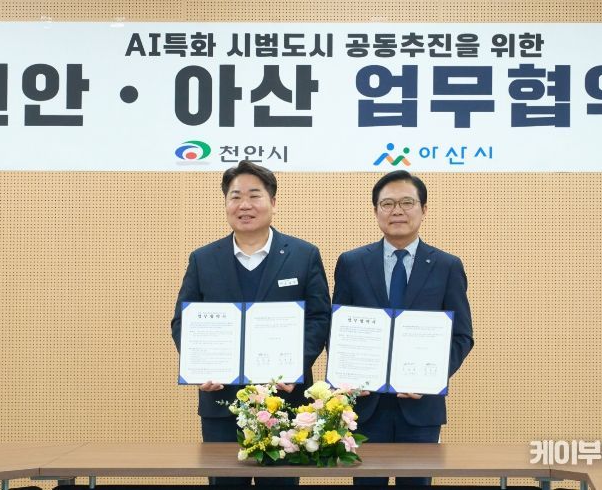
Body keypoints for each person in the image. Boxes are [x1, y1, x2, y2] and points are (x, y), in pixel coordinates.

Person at [171, 160, 330, 486]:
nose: (244, 205)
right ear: (226, 203)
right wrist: (200, 368)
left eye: (254, 195)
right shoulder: (203, 259)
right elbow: (183, 321)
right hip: (222, 402)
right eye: (235, 196)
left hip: (285, 400)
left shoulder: (303, 255)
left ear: (273, 201)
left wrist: (296, 366)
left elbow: (319, 317)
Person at [333, 170, 474, 487]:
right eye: (388, 204)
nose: (397, 211)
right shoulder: (352, 263)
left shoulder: (447, 266)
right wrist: (349, 379)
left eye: (407, 202)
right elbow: (338, 330)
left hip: (421, 407)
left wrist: (430, 377)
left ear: (424, 209)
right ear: (376, 211)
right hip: (365, 405)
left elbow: (462, 336)